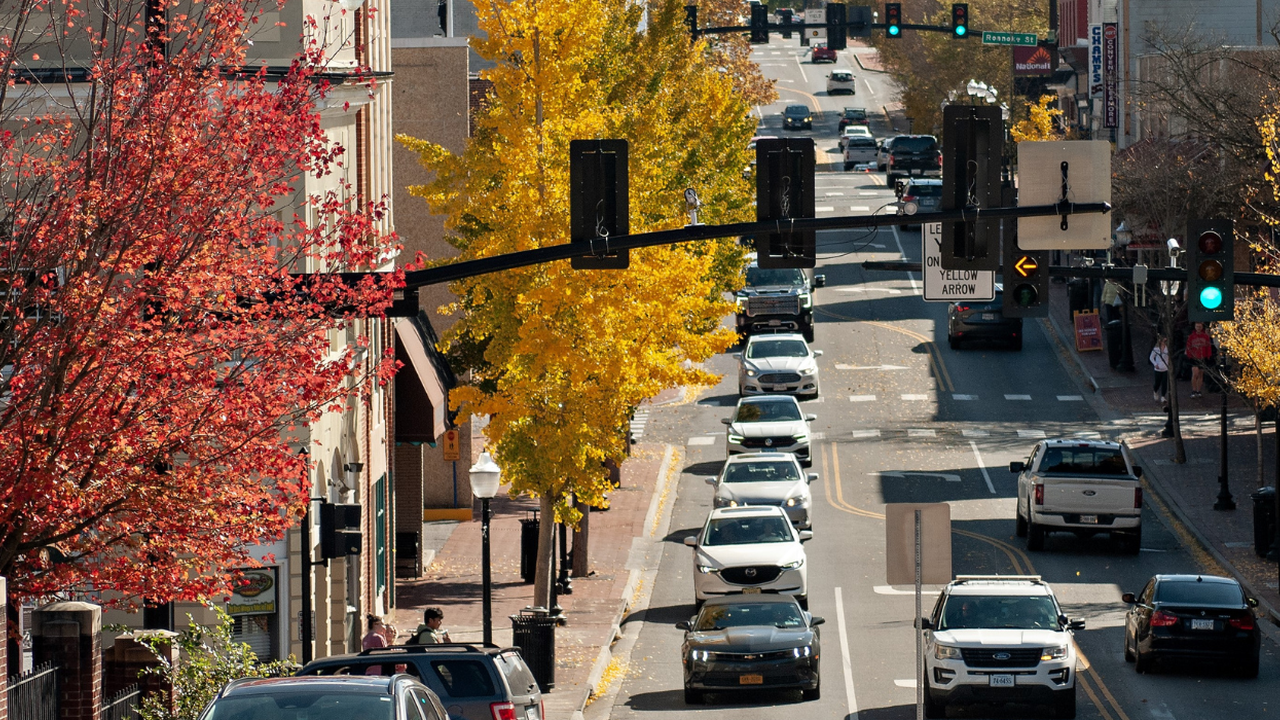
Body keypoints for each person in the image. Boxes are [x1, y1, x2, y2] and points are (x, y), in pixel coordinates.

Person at [1186, 322, 1213, 398]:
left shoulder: (1205, 337)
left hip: (1203, 357)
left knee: (1201, 374)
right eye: (1197, 326)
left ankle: (1198, 390)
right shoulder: (1191, 337)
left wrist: (1208, 356)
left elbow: (1208, 346)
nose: (1198, 328)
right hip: (1194, 357)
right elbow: (1188, 347)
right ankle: (1194, 390)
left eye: (1200, 326)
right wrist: (1190, 355)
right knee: (1195, 374)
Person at [1149, 336, 1170, 404]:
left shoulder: (1168, 349)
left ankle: (1163, 396)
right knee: (1157, 382)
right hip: (1158, 369)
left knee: (1164, 383)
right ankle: (1155, 391)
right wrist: (1155, 364)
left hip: (1165, 368)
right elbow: (1151, 357)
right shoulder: (1156, 349)